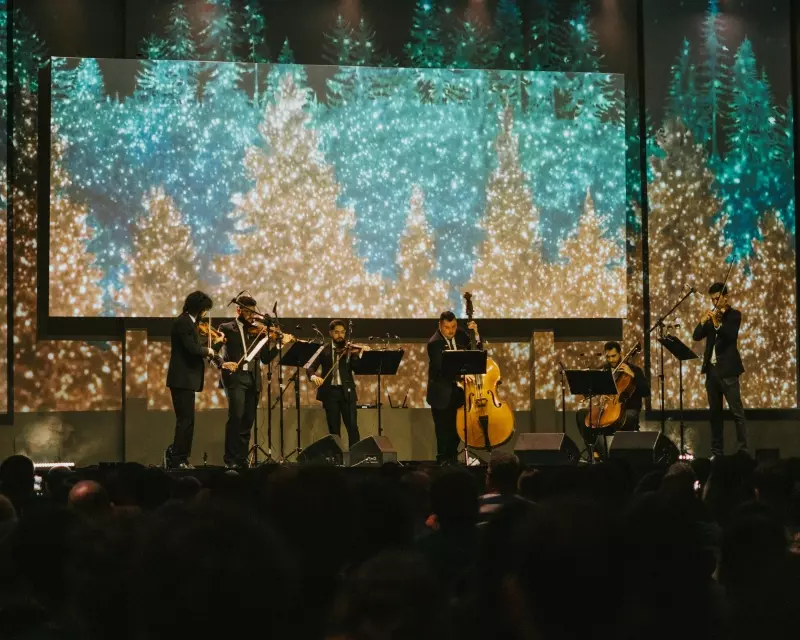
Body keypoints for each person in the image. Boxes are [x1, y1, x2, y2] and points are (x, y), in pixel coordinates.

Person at [217, 295, 295, 469]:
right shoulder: (226, 328)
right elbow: (216, 349)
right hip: (235, 378)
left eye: (253, 312)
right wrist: (222, 364)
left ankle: (242, 459)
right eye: (247, 312)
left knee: (248, 420)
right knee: (236, 417)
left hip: (253, 379)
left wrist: (280, 345)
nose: (252, 316)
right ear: (238, 310)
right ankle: (230, 460)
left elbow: (266, 359)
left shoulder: (259, 331)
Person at [165, 291, 222, 469]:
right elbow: (192, 348)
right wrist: (209, 351)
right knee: (185, 421)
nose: (205, 313)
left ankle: (182, 458)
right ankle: (178, 459)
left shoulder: (190, 322)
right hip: (182, 379)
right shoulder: (183, 322)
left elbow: (196, 347)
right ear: (199, 308)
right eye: (205, 309)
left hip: (186, 380)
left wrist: (215, 347)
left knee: (188, 421)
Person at [692, 282, 748, 457]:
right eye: (712, 300)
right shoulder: (712, 316)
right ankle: (717, 452)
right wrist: (702, 322)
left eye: (718, 299)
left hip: (729, 371)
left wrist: (717, 324)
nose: (715, 303)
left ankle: (743, 450)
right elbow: (696, 336)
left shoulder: (734, 315)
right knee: (715, 414)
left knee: (737, 413)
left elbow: (730, 336)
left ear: (726, 297)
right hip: (712, 371)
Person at [576, 341, 650, 458]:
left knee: (628, 417)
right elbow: (589, 391)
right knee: (582, 415)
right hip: (606, 408)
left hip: (628, 409)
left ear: (620, 354)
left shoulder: (634, 370)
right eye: (608, 357)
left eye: (613, 356)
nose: (611, 360)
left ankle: (620, 456)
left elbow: (646, 391)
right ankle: (595, 452)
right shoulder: (604, 370)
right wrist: (599, 392)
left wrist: (633, 375)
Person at [425, 311, 480, 465]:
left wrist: (475, 334)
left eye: (454, 326)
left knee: (457, 431)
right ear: (440, 326)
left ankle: (453, 462)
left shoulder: (461, 334)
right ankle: (443, 464)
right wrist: (461, 376)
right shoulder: (434, 343)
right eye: (447, 327)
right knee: (444, 434)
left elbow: (476, 352)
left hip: (458, 394)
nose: (451, 330)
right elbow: (441, 368)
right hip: (441, 395)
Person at [307, 319, 365, 447]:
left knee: (353, 427)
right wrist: (313, 377)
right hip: (330, 393)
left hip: (347, 392)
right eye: (337, 332)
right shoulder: (324, 349)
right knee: (334, 429)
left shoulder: (349, 349)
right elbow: (310, 367)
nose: (340, 335)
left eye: (342, 332)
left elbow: (357, 368)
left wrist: (358, 355)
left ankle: (355, 457)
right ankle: (337, 459)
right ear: (331, 333)